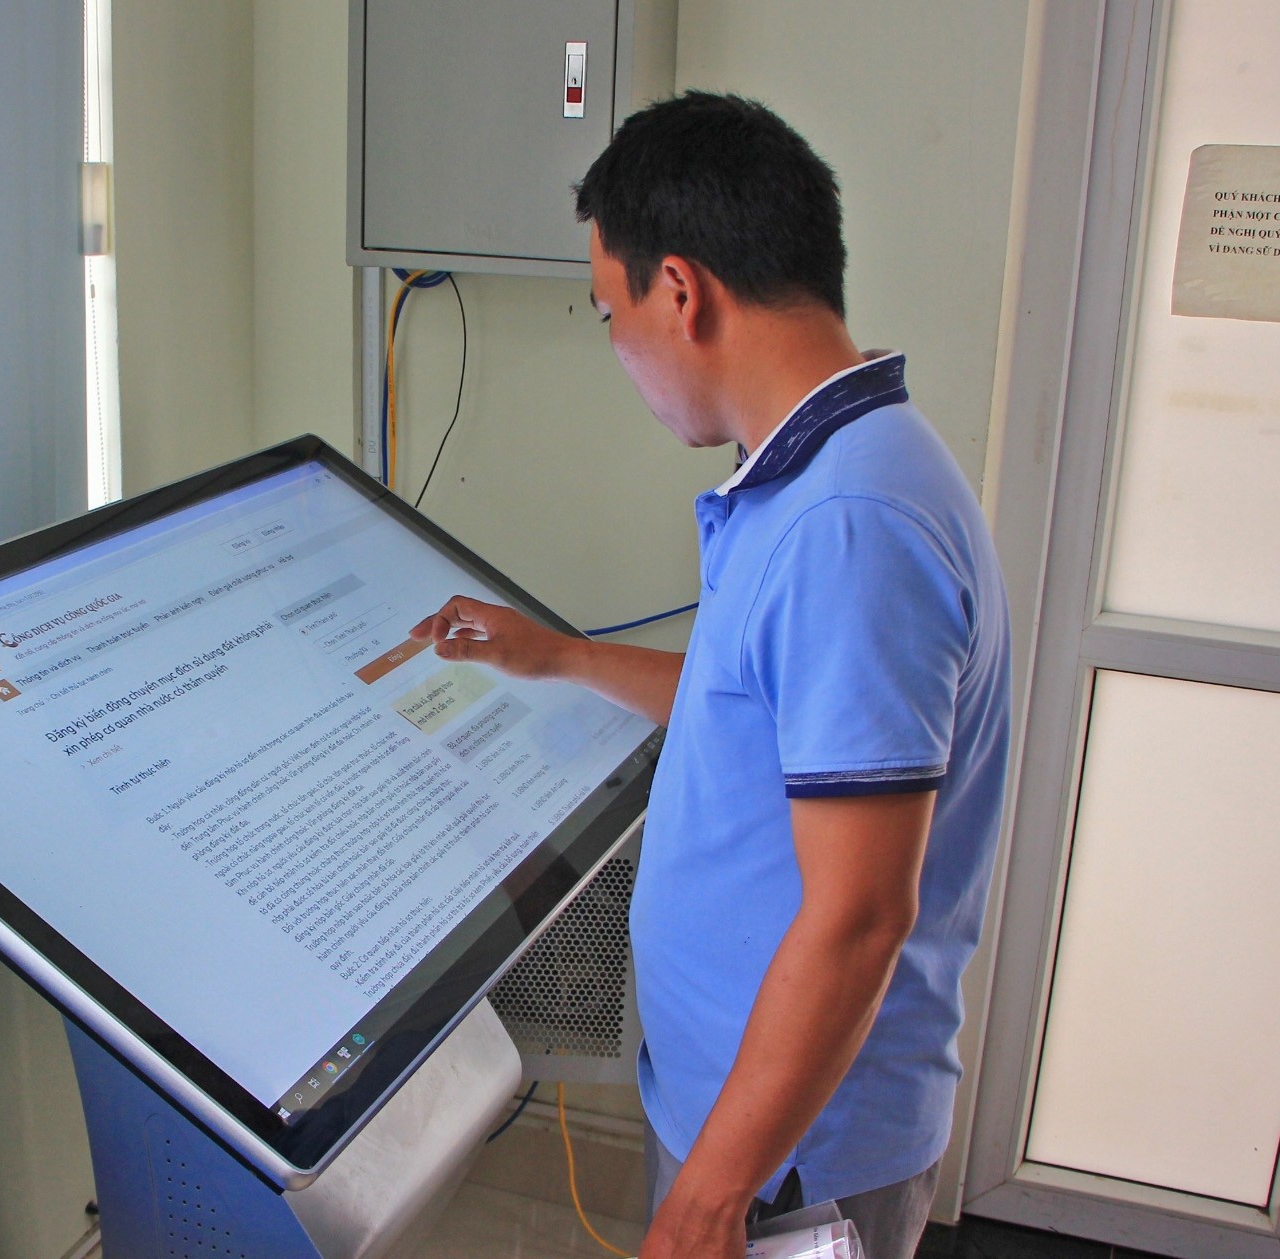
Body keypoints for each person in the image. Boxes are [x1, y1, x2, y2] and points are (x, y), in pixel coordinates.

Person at [409, 92, 1010, 1259]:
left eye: (609, 312)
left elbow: (858, 915)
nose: (618, 351)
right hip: (748, 1117)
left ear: (679, 292)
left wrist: (710, 1195)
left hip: (792, 1154)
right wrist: (563, 656)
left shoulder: (847, 524)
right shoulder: (823, 469)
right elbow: (767, 712)